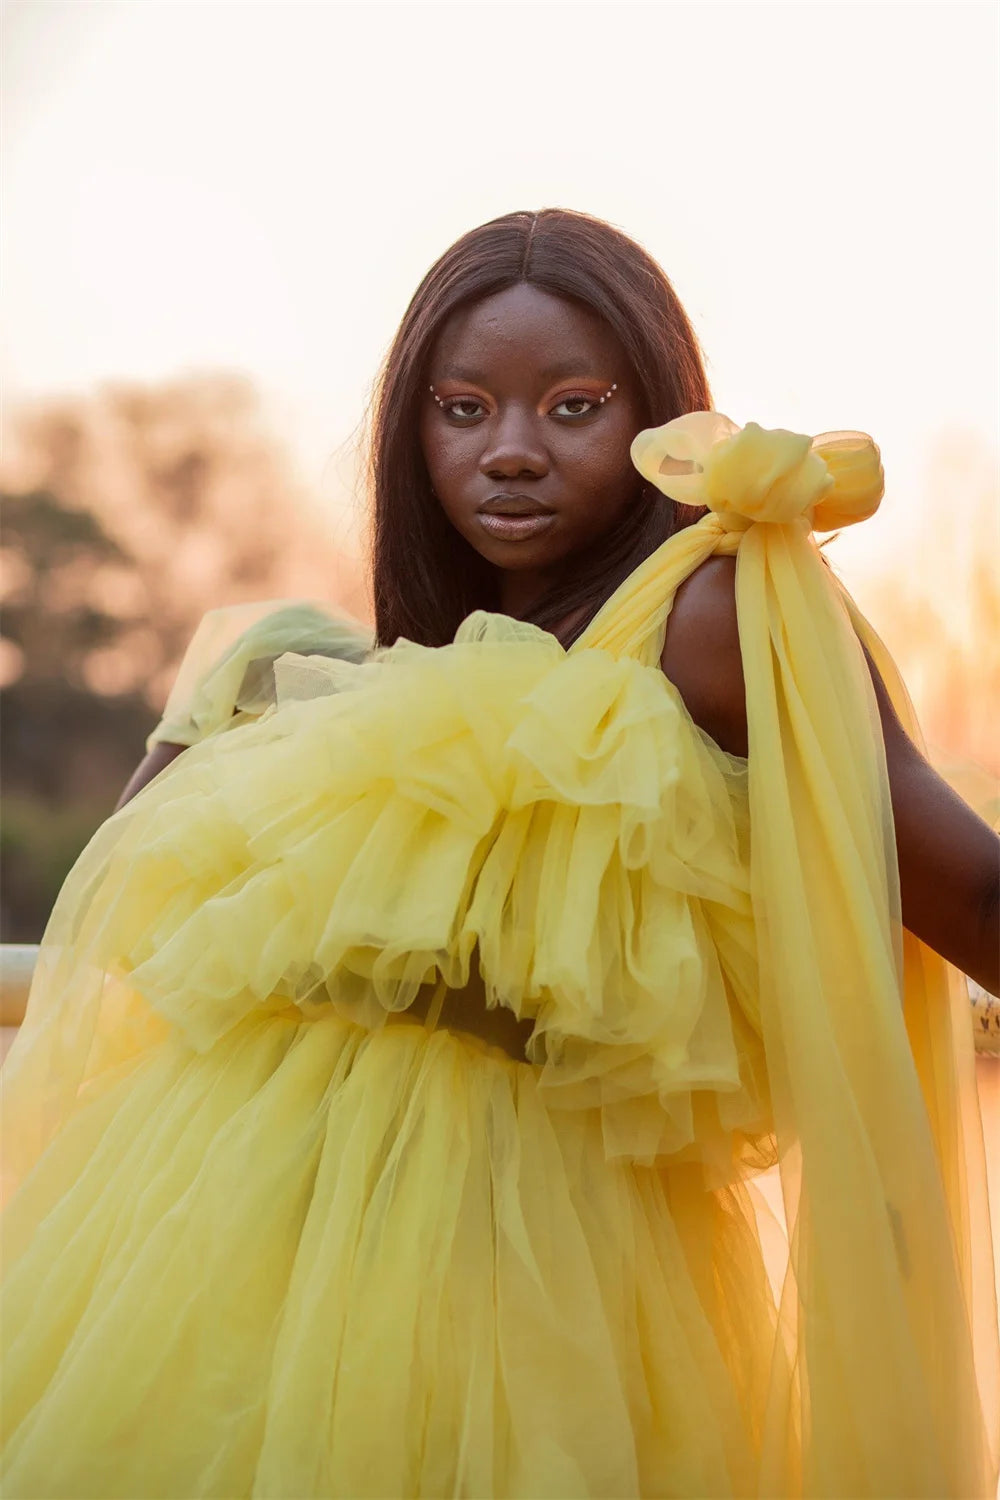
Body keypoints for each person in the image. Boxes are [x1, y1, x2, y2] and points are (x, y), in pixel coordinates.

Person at [1, 208, 997, 1500]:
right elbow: (115, 921)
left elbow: (964, 882)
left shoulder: (706, 612)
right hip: (229, 1253)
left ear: (656, 415)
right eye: (462, 411)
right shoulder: (322, 685)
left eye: (574, 407)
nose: (511, 452)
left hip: (538, 1286)